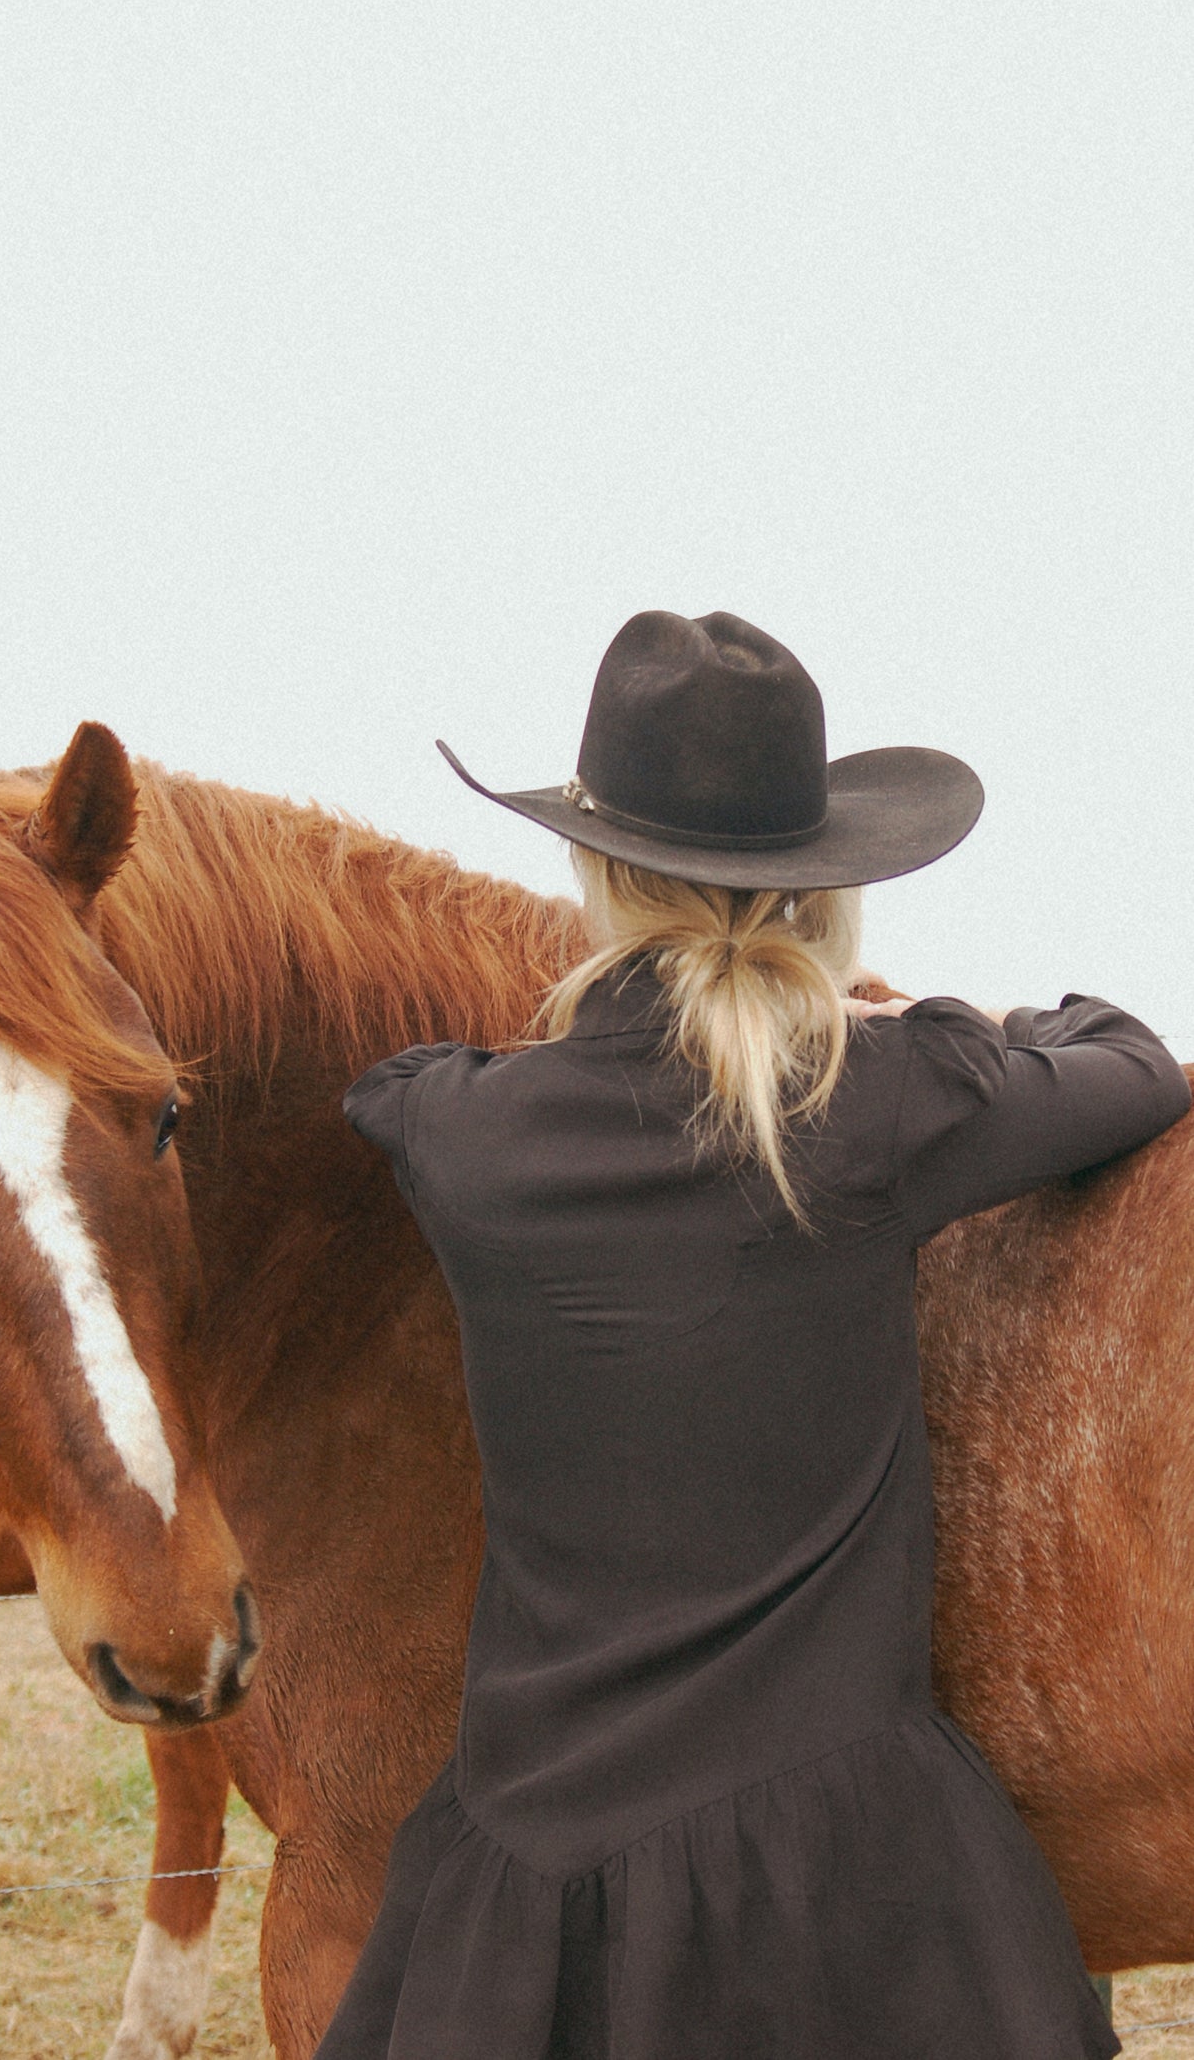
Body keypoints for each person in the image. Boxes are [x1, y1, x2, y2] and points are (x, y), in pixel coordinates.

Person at [316, 610, 1190, 2060]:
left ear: (593, 869)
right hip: (840, 1858)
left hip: (539, 1852)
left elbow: (388, 1085)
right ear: (822, 885)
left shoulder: (459, 1128)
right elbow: (1128, 1065)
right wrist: (941, 1017)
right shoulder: (873, 1101)